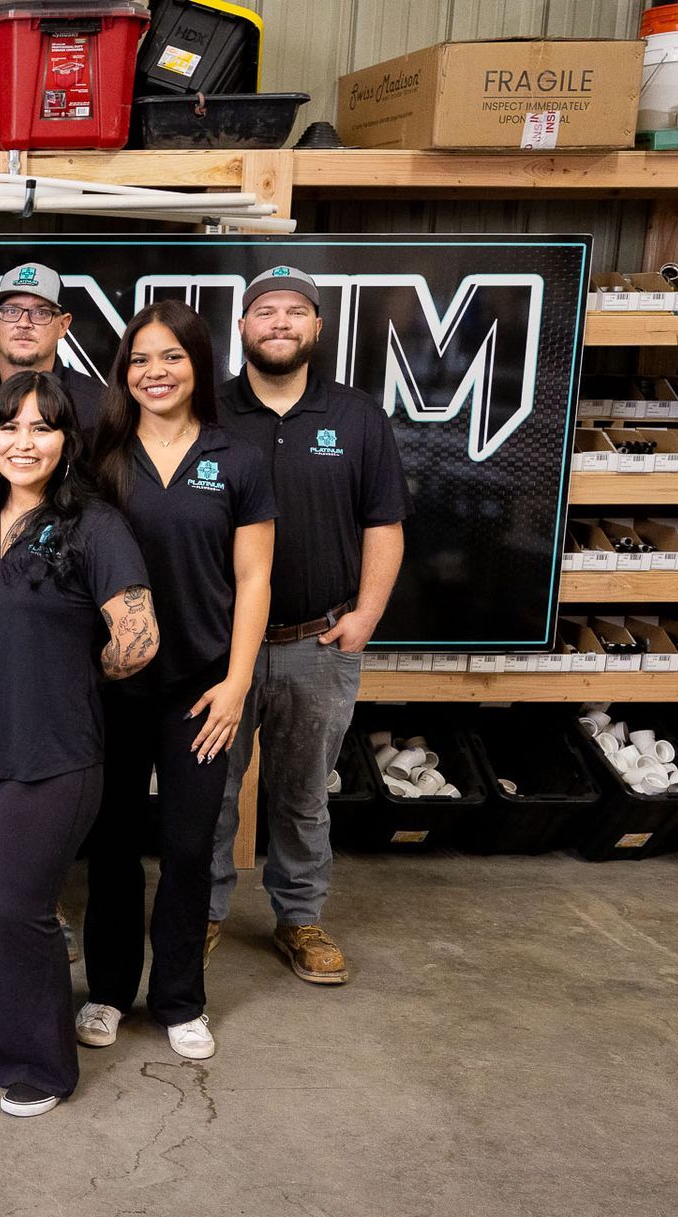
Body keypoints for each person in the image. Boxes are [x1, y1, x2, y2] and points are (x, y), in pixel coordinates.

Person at [0, 369, 156, 1118]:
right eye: (9, 425)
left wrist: (68, 668)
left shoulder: (94, 525)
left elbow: (139, 638)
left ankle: (44, 1064)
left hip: (55, 751)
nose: (22, 440)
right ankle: (12, 1034)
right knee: (2, 901)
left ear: (67, 442)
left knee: (24, 905)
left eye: (42, 427)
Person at [75, 300, 274, 1062]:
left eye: (171, 357)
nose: (154, 372)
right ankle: (107, 991)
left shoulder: (238, 456)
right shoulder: (101, 456)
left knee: (191, 845)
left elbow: (254, 579)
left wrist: (236, 683)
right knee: (115, 843)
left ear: (198, 365)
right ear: (125, 373)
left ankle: (181, 997)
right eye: (140, 360)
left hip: (202, 690)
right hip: (115, 688)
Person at [207, 266, 410, 985]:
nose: (281, 323)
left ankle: (299, 917)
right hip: (219, 647)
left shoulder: (356, 416)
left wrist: (366, 616)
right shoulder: (210, 412)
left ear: (317, 328)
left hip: (314, 644)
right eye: (266, 311)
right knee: (210, 790)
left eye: (296, 312)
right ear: (243, 328)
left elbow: (384, 523)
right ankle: (202, 913)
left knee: (301, 792)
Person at [0, 262, 105, 430]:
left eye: (40, 313)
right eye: (11, 311)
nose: (24, 323)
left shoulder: (97, 404)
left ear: (63, 326)